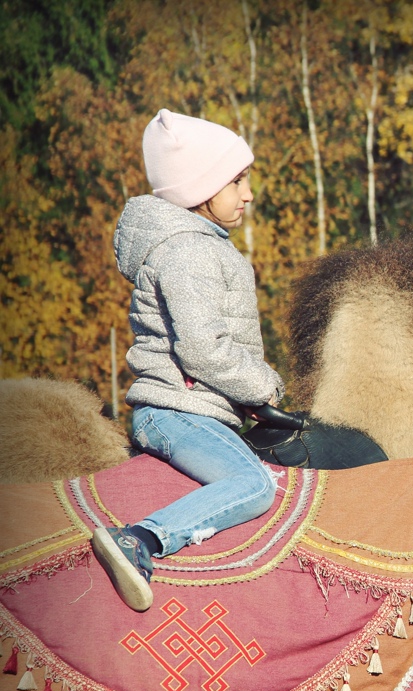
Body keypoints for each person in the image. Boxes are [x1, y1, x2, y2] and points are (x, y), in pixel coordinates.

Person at [90, 109, 284, 613]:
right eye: (236, 180)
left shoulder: (201, 247)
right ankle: (143, 540)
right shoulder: (188, 252)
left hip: (196, 408)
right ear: (201, 187)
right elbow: (203, 350)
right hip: (177, 414)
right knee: (254, 484)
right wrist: (264, 388)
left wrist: (252, 406)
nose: (248, 193)